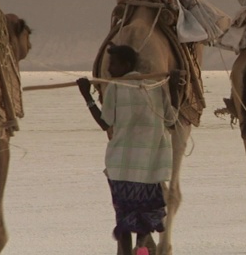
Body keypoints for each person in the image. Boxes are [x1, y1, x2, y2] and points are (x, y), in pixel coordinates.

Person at [76, 44, 180, 255]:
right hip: (151, 169)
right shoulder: (156, 85)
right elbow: (172, 119)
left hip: (122, 168)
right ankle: (142, 247)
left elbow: (105, 123)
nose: (109, 69)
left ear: (126, 64)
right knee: (144, 220)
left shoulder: (115, 87)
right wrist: (176, 88)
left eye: (113, 64)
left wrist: (86, 95)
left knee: (124, 220)